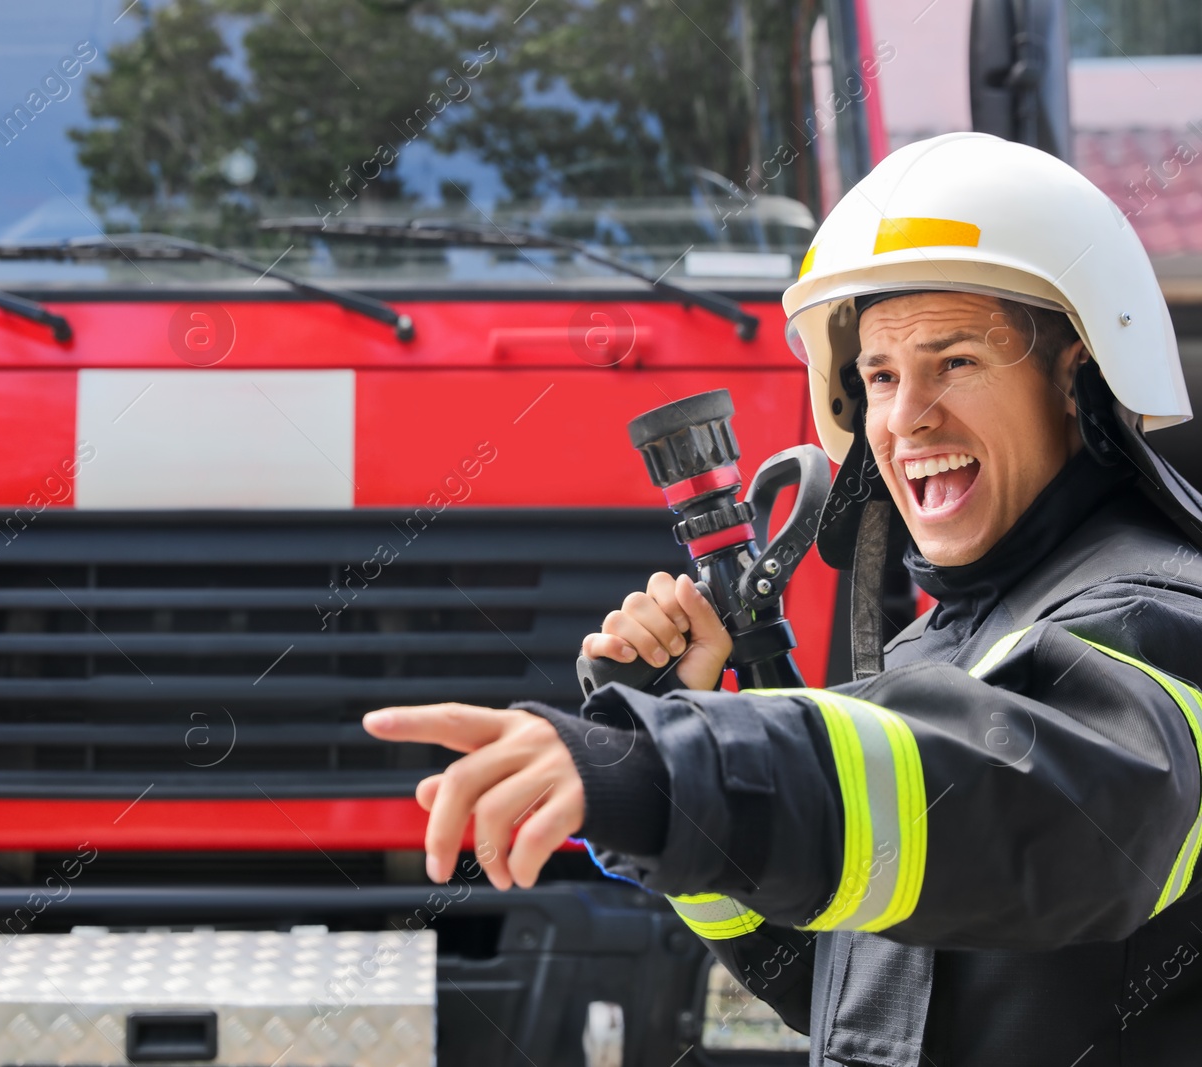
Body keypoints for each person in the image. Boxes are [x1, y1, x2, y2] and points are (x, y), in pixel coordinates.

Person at [362, 132, 1202, 1064]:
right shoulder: (951, 647)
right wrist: (682, 740)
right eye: (880, 375)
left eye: (955, 360)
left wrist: (673, 768)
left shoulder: (1156, 620)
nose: (906, 416)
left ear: (1080, 377)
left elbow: (1027, 808)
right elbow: (846, 987)